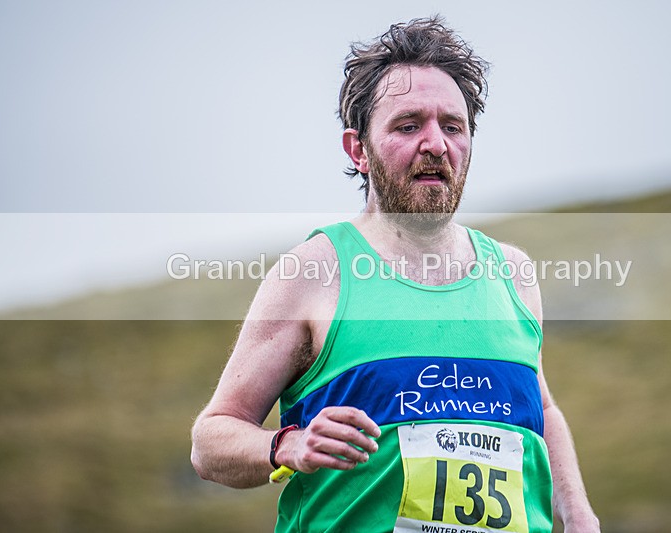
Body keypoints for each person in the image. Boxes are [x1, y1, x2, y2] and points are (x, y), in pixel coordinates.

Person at [191, 16, 600, 533]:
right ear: (358, 150)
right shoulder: (313, 273)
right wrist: (287, 444)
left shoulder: (512, 274)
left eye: (452, 126)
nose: (435, 144)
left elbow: (540, 410)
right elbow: (210, 443)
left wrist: (580, 516)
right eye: (408, 126)